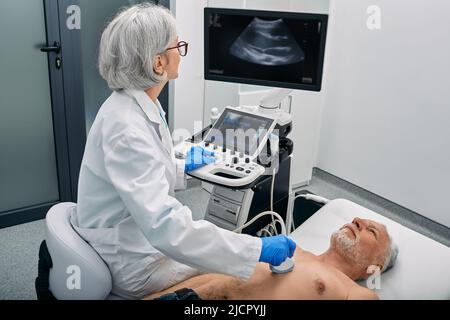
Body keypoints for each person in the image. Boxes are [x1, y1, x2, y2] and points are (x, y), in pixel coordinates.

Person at [71, 3, 295, 299]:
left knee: (226, 253)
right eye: (178, 45)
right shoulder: (127, 128)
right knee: (240, 276)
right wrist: (256, 249)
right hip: (134, 263)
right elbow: (166, 226)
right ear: (158, 63)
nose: (181, 51)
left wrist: (179, 168)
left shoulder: (130, 105)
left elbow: (140, 176)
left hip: (129, 239)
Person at [146, 218, 399, 300]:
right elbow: (211, 276)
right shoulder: (291, 249)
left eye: (371, 231)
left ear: (373, 268)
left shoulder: (357, 292)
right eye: (358, 220)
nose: (357, 222)